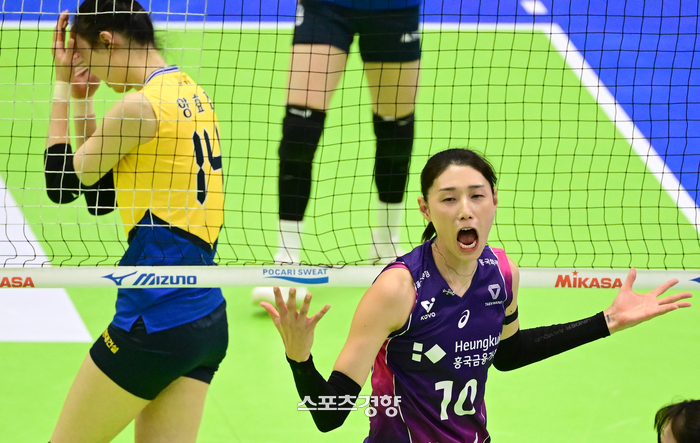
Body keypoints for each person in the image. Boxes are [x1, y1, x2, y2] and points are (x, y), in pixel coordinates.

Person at [261, 148, 693, 442]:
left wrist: (608, 321)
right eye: (449, 199)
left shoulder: (501, 273)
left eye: (476, 196)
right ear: (425, 209)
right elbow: (329, 416)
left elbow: (509, 353)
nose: (465, 210)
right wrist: (300, 358)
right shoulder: (398, 289)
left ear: (494, 201)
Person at [44, 1, 227, 441]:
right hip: (205, 323)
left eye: (87, 56)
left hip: (154, 320)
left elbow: (62, 184)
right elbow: (101, 198)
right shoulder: (191, 92)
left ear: (108, 41)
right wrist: (84, 102)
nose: (90, 71)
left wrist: (62, 86)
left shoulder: (136, 108)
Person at [252, 0, 422, 303]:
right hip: (325, 7)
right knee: (299, 131)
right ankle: (286, 259)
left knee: (396, 133)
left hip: (394, 7)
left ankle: (386, 246)